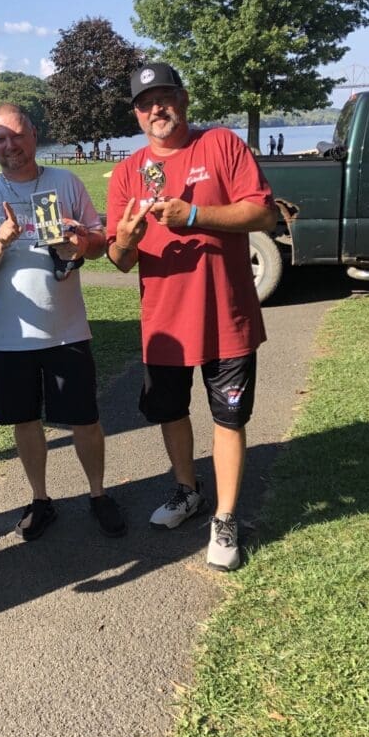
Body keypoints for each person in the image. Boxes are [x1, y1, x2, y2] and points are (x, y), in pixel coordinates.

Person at [106, 62, 277, 571]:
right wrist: (127, 241)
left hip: (226, 316)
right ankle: (188, 490)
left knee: (228, 416)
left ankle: (224, 518)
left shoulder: (221, 145)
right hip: (164, 325)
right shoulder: (126, 171)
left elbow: (264, 212)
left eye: (165, 96)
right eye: (145, 102)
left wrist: (195, 216)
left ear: (183, 98)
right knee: (170, 411)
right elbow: (119, 259)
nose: (156, 108)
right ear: (136, 114)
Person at [0, 103, 126, 540]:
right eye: (0, 139)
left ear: (34, 135)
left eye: (17, 135)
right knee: (25, 421)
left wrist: (81, 244)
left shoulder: (65, 182)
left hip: (67, 330)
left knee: (85, 419)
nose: (10, 145)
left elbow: (97, 242)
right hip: (9, 336)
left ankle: (97, 494)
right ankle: (40, 499)